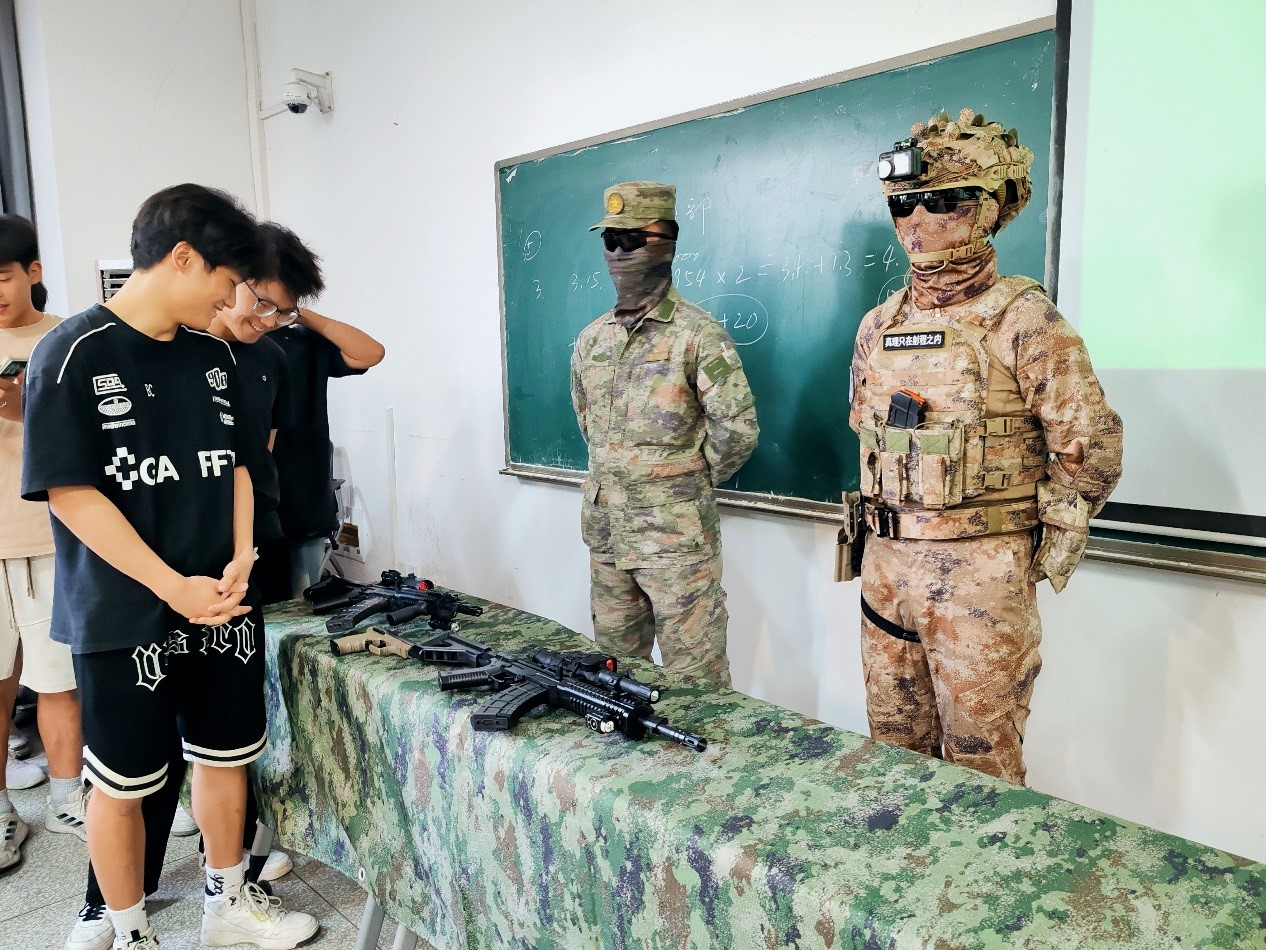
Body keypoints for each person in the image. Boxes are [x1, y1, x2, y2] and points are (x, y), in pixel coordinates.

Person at [22, 184, 318, 949]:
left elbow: (241, 465)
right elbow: (71, 493)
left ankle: (228, 904)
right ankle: (128, 931)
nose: (234, 298)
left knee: (225, 757)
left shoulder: (216, 356)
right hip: (126, 613)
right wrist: (170, 586)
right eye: (228, 280)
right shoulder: (74, 352)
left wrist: (243, 555)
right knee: (122, 784)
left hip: (221, 601)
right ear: (182, 258)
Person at [849, 109, 1124, 785]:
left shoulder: (1024, 320)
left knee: (982, 774)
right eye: (905, 204)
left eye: (944, 202)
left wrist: (1031, 537)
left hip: (981, 581)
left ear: (989, 209)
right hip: (886, 571)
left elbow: (1092, 449)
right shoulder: (879, 325)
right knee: (892, 758)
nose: (919, 219)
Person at [570, 182, 759, 688]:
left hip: (676, 545)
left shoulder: (698, 335)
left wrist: (680, 487)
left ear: (667, 245)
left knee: (698, 686)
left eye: (633, 240)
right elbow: (588, 422)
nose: (618, 253)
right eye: (610, 240)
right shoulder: (592, 340)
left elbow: (737, 430)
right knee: (613, 679)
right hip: (609, 539)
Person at [0, 214, 89, 877]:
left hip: (47, 536)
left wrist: (23, 410)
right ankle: (2, 812)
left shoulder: (69, 338)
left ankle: (67, 799)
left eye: (1, 277)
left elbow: (97, 431)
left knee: (60, 680)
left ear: (32, 271)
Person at [265, 223, 384, 597]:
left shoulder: (301, 341)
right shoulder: (227, 346)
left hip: (305, 507)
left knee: (303, 611)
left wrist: (299, 315)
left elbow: (370, 352)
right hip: (254, 510)